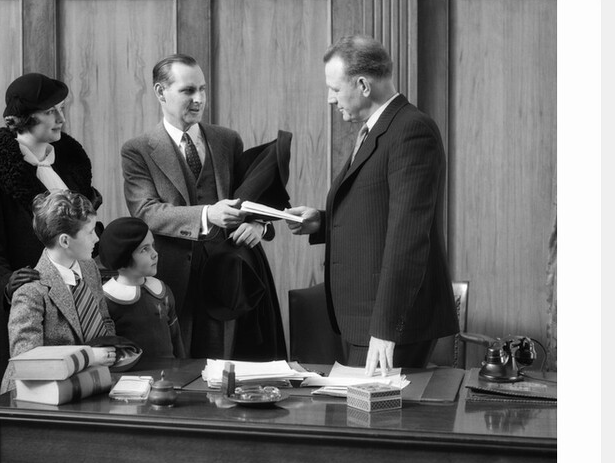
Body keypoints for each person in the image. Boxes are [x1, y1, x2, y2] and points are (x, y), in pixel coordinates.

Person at [285, 34, 458, 376]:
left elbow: (408, 236)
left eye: (334, 89)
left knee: (378, 426)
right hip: (360, 316)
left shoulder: (411, 130)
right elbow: (375, 211)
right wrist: (320, 221)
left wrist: (385, 328)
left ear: (363, 84)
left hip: (388, 322)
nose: (329, 99)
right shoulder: (376, 129)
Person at [121, 54, 274, 358]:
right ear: (160, 92)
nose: (199, 99)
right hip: (173, 280)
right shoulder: (137, 150)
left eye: (202, 89)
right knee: (179, 372)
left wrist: (258, 224)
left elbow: (251, 201)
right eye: (188, 91)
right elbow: (146, 212)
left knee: (228, 369)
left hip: (229, 279)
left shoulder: (227, 140)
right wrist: (208, 213)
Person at [0, 72, 103, 392]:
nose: (61, 118)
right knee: (31, 394)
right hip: (27, 305)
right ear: (25, 119)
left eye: (61, 108)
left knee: (83, 390)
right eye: (51, 112)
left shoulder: (72, 159)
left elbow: (83, 225)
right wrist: (7, 284)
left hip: (78, 297)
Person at [0, 190, 116, 393]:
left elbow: (104, 319)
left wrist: (112, 351)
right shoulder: (30, 292)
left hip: (85, 383)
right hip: (33, 395)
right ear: (64, 241)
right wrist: (88, 356)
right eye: (89, 232)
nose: (96, 239)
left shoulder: (89, 268)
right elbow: (27, 361)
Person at [98, 216, 186, 359]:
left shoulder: (163, 292)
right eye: (144, 249)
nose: (155, 254)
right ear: (122, 256)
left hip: (171, 376)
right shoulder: (107, 301)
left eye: (153, 245)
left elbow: (176, 340)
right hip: (130, 379)